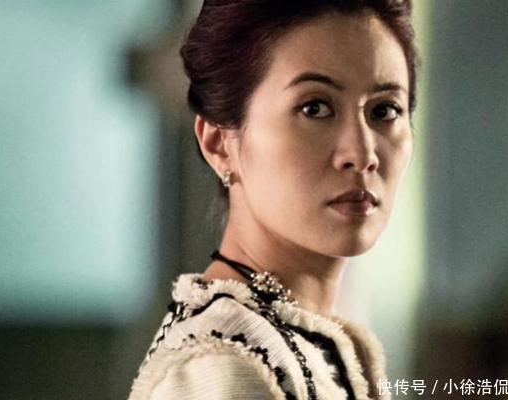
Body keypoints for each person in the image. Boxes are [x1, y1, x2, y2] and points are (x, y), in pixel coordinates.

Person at [128, 0, 418, 399]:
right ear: (219, 144)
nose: (363, 153)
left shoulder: (326, 346)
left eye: (385, 110)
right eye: (315, 108)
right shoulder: (221, 371)